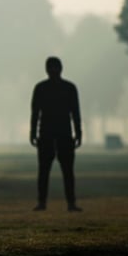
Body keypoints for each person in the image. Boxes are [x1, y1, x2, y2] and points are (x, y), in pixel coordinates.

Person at [29, 56, 83, 212]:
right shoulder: (67, 88)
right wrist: (33, 131)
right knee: (48, 171)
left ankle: (63, 202)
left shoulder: (43, 88)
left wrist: (78, 132)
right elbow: (35, 112)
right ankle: (47, 202)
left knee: (64, 171)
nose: (53, 70)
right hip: (52, 133)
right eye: (51, 67)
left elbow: (75, 112)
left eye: (54, 67)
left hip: (58, 134)